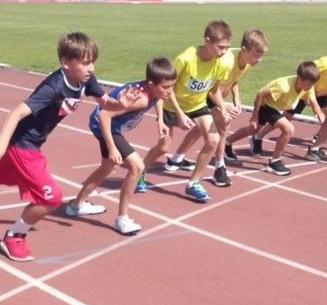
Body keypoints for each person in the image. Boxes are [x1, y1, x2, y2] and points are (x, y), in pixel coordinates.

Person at [0, 32, 127, 262]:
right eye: (86, 62)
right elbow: (17, 112)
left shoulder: (87, 79)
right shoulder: (54, 87)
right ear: (65, 63)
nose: (91, 68)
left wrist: (124, 103)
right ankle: (14, 236)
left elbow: (106, 102)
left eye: (93, 62)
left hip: (33, 144)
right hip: (23, 146)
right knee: (50, 197)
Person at [64, 57, 177, 235]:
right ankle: (122, 219)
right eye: (166, 87)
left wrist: (160, 120)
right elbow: (103, 117)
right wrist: (112, 147)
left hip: (110, 125)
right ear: (151, 84)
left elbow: (160, 98)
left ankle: (75, 206)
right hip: (105, 126)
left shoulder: (156, 91)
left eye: (172, 86)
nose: (170, 91)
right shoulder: (140, 99)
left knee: (107, 167)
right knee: (137, 167)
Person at [160, 29, 268, 188]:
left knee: (200, 129)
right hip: (208, 94)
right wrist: (223, 107)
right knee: (223, 125)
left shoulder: (246, 62)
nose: (259, 59)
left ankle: (175, 159)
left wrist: (236, 98)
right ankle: (220, 166)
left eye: (261, 56)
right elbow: (212, 88)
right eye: (256, 55)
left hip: (215, 95)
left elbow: (234, 80)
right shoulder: (226, 62)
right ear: (245, 50)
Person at [141, 20, 232, 203]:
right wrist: (180, 114)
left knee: (213, 140)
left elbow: (213, 90)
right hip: (171, 105)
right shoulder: (185, 59)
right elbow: (168, 88)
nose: (223, 52)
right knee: (164, 147)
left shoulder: (221, 63)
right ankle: (139, 172)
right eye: (220, 47)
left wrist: (223, 107)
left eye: (227, 48)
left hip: (197, 105)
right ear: (207, 41)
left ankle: (193, 183)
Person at [257, 40, 327, 158]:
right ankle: (258, 136)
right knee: (286, 118)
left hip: (322, 93)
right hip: (305, 90)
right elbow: (306, 71)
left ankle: (314, 149)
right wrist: (307, 95)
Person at [225, 61, 322, 176]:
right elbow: (260, 94)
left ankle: (227, 142)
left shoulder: (307, 87)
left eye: (312, 85)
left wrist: (320, 114)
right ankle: (274, 162)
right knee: (288, 129)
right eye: (308, 85)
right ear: (300, 79)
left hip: (277, 107)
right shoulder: (283, 87)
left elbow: (312, 101)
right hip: (266, 105)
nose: (310, 88)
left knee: (253, 129)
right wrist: (254, 116)